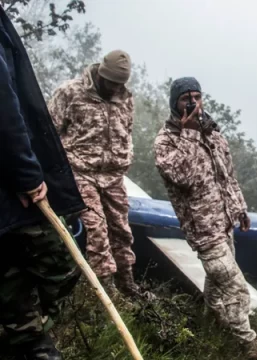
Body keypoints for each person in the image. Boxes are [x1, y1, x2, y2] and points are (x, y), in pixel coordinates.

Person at [154, 77, 257, 360]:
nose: (193, 103)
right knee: (236, 289)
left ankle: (211, 327)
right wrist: (190, 133)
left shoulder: (214, 134)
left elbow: (227, 176)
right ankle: (249, 347)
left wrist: (239, 208)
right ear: (175, 103)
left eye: (197, 96)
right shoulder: (166, 140)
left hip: (224, 222)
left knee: (217, 286)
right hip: (203, 230)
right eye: (185, 99)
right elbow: (183, 177)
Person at [0, 5, 85, 359]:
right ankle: (29, 334)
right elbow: (5, 109)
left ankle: (26, 334)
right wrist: (29, 175)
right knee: (61, 261)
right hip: (14, 190)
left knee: (13, 276)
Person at [48, 50, 142, 297]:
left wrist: (125, 156)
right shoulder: (70, 93)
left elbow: (127, 131)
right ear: (101, 74)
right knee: (96, 229)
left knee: (122, 232)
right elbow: (48, 132)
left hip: (113, 177)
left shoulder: (125, 99)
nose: (114, 88)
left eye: (119, 83)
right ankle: (106, 293)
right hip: (80, 172)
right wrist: (53, 173)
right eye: (111, 82)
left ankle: (127, 284)